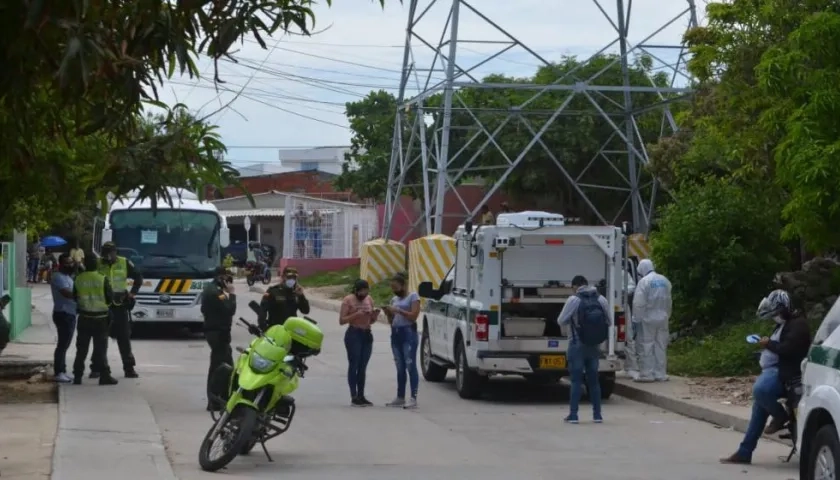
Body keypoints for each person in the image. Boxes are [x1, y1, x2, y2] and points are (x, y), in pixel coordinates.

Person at [720, 289, 811, 464]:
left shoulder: (798, 325)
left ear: (784, 308)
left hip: (786, 372)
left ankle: (780, 416)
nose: (774, 317)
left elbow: (787, 349)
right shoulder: (784, 324)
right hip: (776, 369)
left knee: (760, 390)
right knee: (758, 409)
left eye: (776, 313)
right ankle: (744, 452)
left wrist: (769, 344)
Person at [556, 275, 612, 424]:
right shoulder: (601, 299)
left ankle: (573, 415)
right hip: (594, 345)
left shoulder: (574, 300)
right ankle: (597, 415)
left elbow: (560, 320)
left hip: (576, 344)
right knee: (594, 381)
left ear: (575, 286)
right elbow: (610, 321)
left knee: (576, 380)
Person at [90, 241, 142, 379]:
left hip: (120, 305)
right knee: (100, 338)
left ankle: (129, 368)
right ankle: (96, 368)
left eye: (109, 253)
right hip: (102, 305)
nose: (107, 257)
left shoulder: (124, 262)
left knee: (124, 338)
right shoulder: (98, 263)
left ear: (115, 252)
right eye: (105, 254)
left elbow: (138, 277)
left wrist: (132, 294)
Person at [72, 253, 118, 385]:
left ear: (85, 264)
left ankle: (77, 376)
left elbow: (75, 297)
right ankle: (104, 376)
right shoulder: (102, 278)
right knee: (100, 349)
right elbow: (110, 298)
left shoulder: (78, 278)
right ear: (96, 264)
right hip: (101, 319)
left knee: (81, 350)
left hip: (84, 318)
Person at [201, 267, 237, 411]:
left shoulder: (213, 289)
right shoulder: (215, 292)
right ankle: (215, 400)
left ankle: (220, 398)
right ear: (221, 277)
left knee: (222, 366)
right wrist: (232, 294)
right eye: (227, 278)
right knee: (221, 368)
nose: (229, 281)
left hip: (217, 332)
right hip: (218, 333)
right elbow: (229, 310)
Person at [383, 273, 421, 409]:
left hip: (408, 333)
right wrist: (388, 313)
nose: (395, 290)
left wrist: (398, 310)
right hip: (396, 333)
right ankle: (400, 396)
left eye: (396, 287)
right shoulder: (394, 299)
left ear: (403, 285)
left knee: (410, 365)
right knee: (400, 367)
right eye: (392, 288)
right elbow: (392, 321)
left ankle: (413, 397)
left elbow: (414, 316)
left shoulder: (413, 297)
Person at [340, 279, 380, 407]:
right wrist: (356, 314)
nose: (363, 294)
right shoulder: (348, 300)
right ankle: (354, 395)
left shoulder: (369, 299)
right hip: (354, 334)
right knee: (354, 364)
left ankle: (361, 395)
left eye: (366, 291)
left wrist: (374, 315)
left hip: (366, 334)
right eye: (361, 291)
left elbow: (371, 321)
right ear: (356, 291)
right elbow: (342, 320)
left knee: (363, 366)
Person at [632, 259, 672, 382]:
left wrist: (636, 319)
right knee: (660, 345)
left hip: (648, 318)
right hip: (663, 317)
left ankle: (646, 374)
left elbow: (639, 303)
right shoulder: (665, 281)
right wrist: (667, 315)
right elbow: (669, 301)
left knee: (646, 345)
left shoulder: (644, 282)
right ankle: (660, 374)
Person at [51, 254, 77, 383]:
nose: (70, 265)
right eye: (67, 263)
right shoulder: (58, 277)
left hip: (70, 313)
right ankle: (59, 372)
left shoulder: (69, 277)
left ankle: (63, 370)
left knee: (65, 344)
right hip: (63, 314)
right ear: (60, 264)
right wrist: (82, 294)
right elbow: (67, 293)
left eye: (72, 262)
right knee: (62, 344)